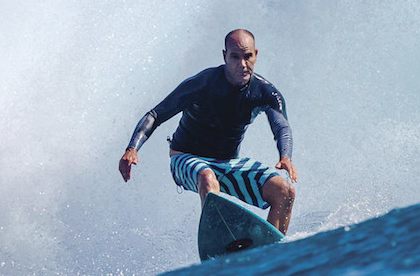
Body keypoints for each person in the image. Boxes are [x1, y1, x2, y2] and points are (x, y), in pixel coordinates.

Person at [118, 29, 298, 233]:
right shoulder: (203, 83)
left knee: (285, 191)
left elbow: (281, 126)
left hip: (228, 162)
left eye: (248, 56)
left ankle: (273, 249)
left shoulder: (265, 93)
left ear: (256, 54)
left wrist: (285, 156)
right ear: (224, 56)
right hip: (186, 158)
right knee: (207, 176)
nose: (242, 64)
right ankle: (220, 240)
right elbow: (156, 114)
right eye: (235, 57)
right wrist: (132, 148)